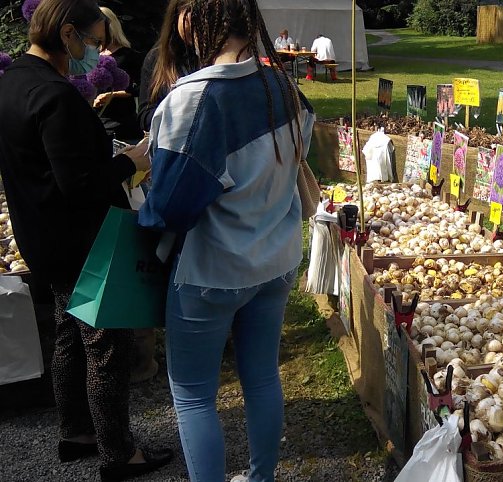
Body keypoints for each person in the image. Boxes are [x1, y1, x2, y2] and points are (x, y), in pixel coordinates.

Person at [138, 0, 313, 480]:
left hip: (210, 271)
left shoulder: (192, 100)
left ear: (192, 19)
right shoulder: (284, 86)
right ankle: (261, 477)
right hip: (274, 263)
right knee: (261, 376)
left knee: (193, 395)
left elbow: (170, 209)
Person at [0, 1, 173, 481]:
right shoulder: (54, 95)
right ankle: (119, 454)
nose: (96, 52)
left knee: (67, 334)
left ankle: (76, 430)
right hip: (81, 241)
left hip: (39, 234)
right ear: (68, 34)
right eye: (94, 41)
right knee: (105, 345)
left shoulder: (12, 81)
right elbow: (79, 182)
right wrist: (131, 162)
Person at [137, 0, 198, 133]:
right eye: (191, 18)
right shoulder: (158, 57)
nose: (196, 28)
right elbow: (144, 116)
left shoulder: (218, 56)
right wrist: (180, 114)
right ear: (175, 15)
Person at [93, 6, 144, 142]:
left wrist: (112, 95)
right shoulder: (88, 56)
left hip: (121, 128)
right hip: (95, 127)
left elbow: (141, 88)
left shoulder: (128, 56)